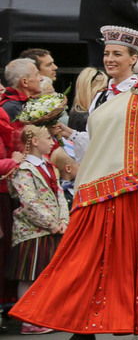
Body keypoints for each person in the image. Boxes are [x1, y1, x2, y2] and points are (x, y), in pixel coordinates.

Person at [11, 25, 138, 339]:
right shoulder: (100, 96)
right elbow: (95, 141)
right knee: (85, 256)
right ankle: (84, 325)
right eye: (107, 53)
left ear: (133, 58)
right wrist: (66, 134)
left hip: (128, 185)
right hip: (95, 184)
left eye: (117, 54)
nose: (110, 59)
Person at [11, 125, 69, 335]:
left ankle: (43, 316)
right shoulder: (23, 169)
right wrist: (51, 223)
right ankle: (28, 320)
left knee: (46, 274)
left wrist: (64, 220)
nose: (53, 142)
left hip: (52, 228)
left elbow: (60, 194)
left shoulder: (50, 166)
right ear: (34, 141)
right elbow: (29, 201)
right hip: (32, 231)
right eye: (47, 138)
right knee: (30, 275)